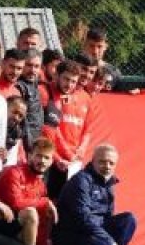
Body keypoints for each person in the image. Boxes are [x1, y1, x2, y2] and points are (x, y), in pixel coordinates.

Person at [53, 144, 136, 245]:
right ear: (93, 161)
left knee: (128, 220)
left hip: (91, 234)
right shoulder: (81, 181)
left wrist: (106, 240)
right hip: (72, 236)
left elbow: (107, 217)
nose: (107, 166)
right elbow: (82, 218)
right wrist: (109, 241)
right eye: (102, 162)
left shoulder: (109, 182)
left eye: (111, 163)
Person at [0, 136, 58, 245]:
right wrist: (45, 202)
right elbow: (16, 203)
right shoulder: (13, 172)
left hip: (15, 234)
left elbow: (40, 227)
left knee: (47, 217)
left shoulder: (40, 185)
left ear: (52, 161)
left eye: (47, 158)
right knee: (31, 213)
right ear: (29, 156)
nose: (42, 161)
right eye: (38, 156)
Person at [42, 60, 96, 198]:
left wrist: (81, 150)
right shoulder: (47, 93)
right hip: (52, 158)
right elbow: (52, 130)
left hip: (72, 162)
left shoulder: (86, 98)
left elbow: (87, 129)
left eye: (73, 81)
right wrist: (59, 157)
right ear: (57, 75)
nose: (69, 84)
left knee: (67, 200)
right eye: (66, 79)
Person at [16, 47, 46, 151]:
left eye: (36, 66)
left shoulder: (35, 85)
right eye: (29, 65)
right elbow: (21, 120)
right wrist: (29, 146)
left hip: (36, 141)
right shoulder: (19, 87)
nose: (33, 70)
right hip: (25, 144)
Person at [84, 27, 121, 92]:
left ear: (106, 47)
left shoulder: (114, 72)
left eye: (99, 46)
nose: (95, 51)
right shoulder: (74, 68)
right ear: (85, 45)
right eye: (91, 46)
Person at [4, 96, 28, 167]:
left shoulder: (17, 134)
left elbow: (17, 160)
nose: (16, 117)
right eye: (15, 112)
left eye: (20, 116)